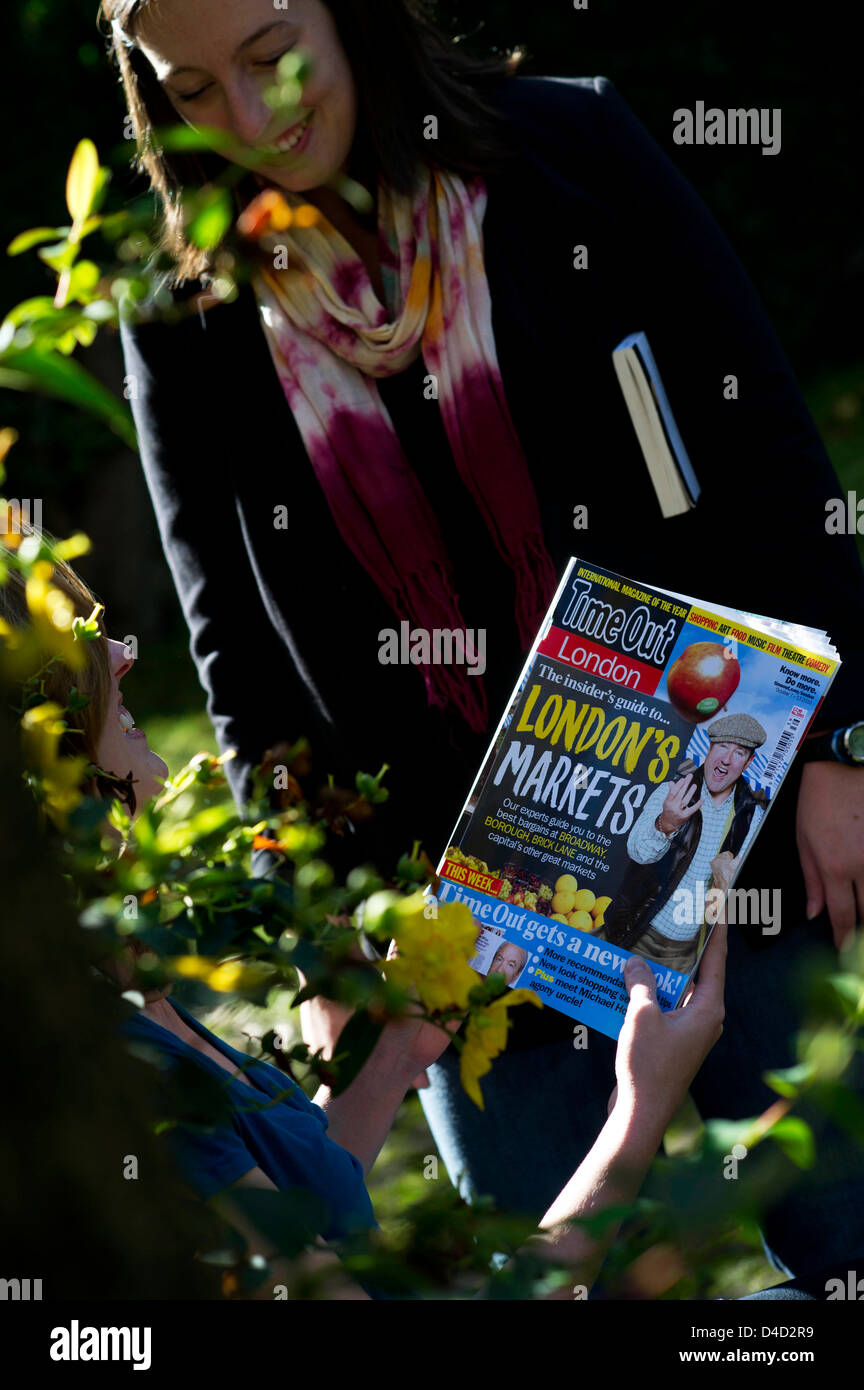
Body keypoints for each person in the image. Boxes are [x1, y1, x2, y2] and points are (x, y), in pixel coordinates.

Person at [105, 0, 864, 1280]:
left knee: (844, 1235)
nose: (251, 118)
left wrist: (845, 745)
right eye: (190, 91)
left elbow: (769, 452)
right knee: (549, 1272)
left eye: (270, 54)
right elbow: (234, 652)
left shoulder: (568, 149)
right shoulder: (182, 312)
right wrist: (322, 926)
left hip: (727, 817)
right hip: (459, 919)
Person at [1, 536, 730, 1299]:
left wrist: (388, 1058)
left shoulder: (127, 993)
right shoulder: (127, 1077)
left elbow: (307, 1214)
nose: (122, 650)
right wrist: (637, 1121)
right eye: (76, 641)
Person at [601, 714, 768, 975]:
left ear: (749, 761)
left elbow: (739, 900)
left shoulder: (751, 817)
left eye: (739, 752)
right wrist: (665, 824)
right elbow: (638, 853)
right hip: (633, 932)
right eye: (722, 746)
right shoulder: (674, 790)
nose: (727, 758)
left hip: (685, 954)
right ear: (710, 748)